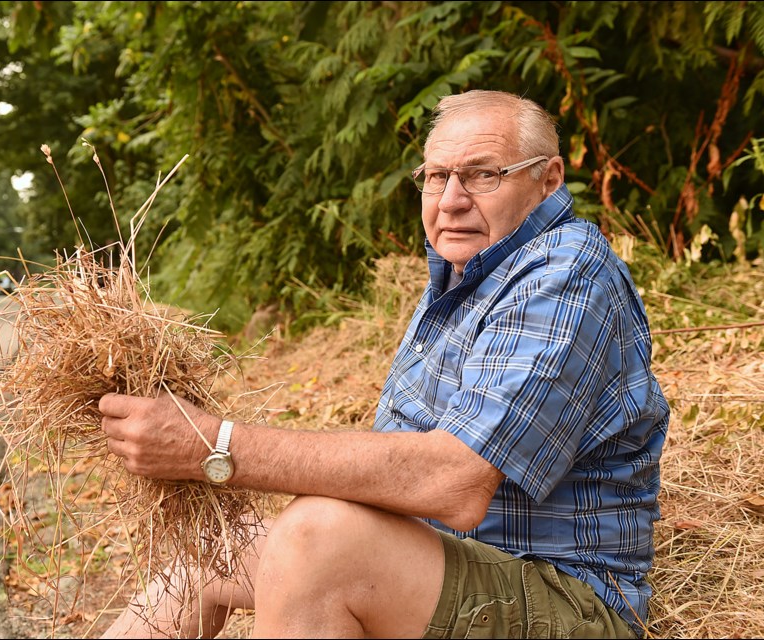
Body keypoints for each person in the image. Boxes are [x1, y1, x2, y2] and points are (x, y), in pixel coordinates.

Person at [98, 90, 669, 639]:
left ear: (548, 179)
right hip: (449, 563)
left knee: (316, 541)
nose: (451, 200)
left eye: (483, 174)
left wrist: (217, 446)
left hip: (565, 604)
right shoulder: (464, 277)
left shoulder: (566, 271)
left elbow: (457, 481)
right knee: (211, 548)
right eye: (438, 176)